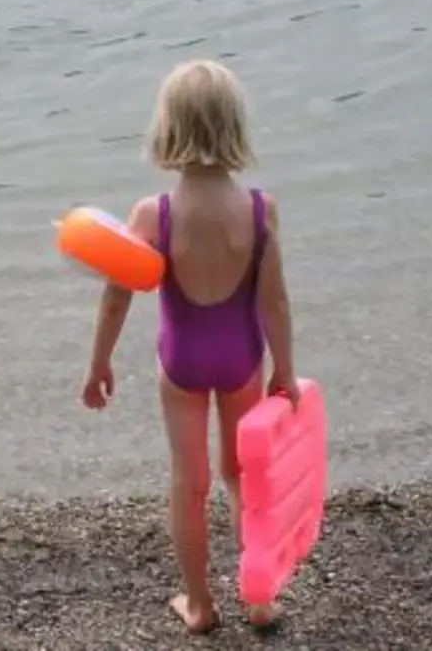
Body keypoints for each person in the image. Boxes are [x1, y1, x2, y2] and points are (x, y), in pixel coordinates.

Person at [80, 59, 302, 635]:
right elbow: (275, 302)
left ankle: (201, 605)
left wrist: (99, 361)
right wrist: (286, 369)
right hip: (242, 359)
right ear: (234, 127)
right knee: (242, 476)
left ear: (168, 129)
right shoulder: (261, 210)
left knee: (190, 481)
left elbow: (116, 298)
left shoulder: (155, 214)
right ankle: (260, 596)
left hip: (182, 364)